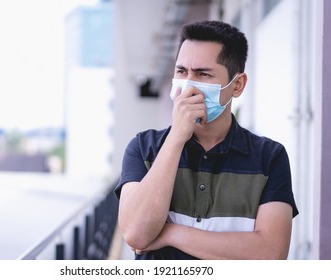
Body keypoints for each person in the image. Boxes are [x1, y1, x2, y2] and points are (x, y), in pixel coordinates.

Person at [115, 20, 299, 260]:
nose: (188, 84)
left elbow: (270, 254)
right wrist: (176, 138)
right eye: (181, 71)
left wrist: (170, 233)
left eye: (203, 74)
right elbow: (137, 235)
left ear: (237, 85)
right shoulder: (143, 147)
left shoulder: (269, 157)